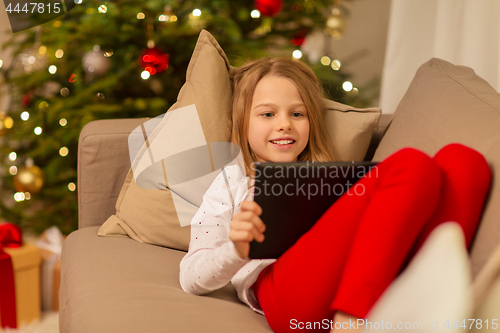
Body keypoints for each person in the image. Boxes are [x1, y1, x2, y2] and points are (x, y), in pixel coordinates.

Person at [179, 57, 492, 333]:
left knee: (465, 162)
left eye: (297, 114)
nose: (285, 124)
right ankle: (352, 324)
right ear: (243, 123)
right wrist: (236, 250)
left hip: (366, 278)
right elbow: (191, 277)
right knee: (411, 164)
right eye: (267, 114)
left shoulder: (332, 174)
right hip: (283, 293)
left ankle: (431, 306)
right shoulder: (231, 182)